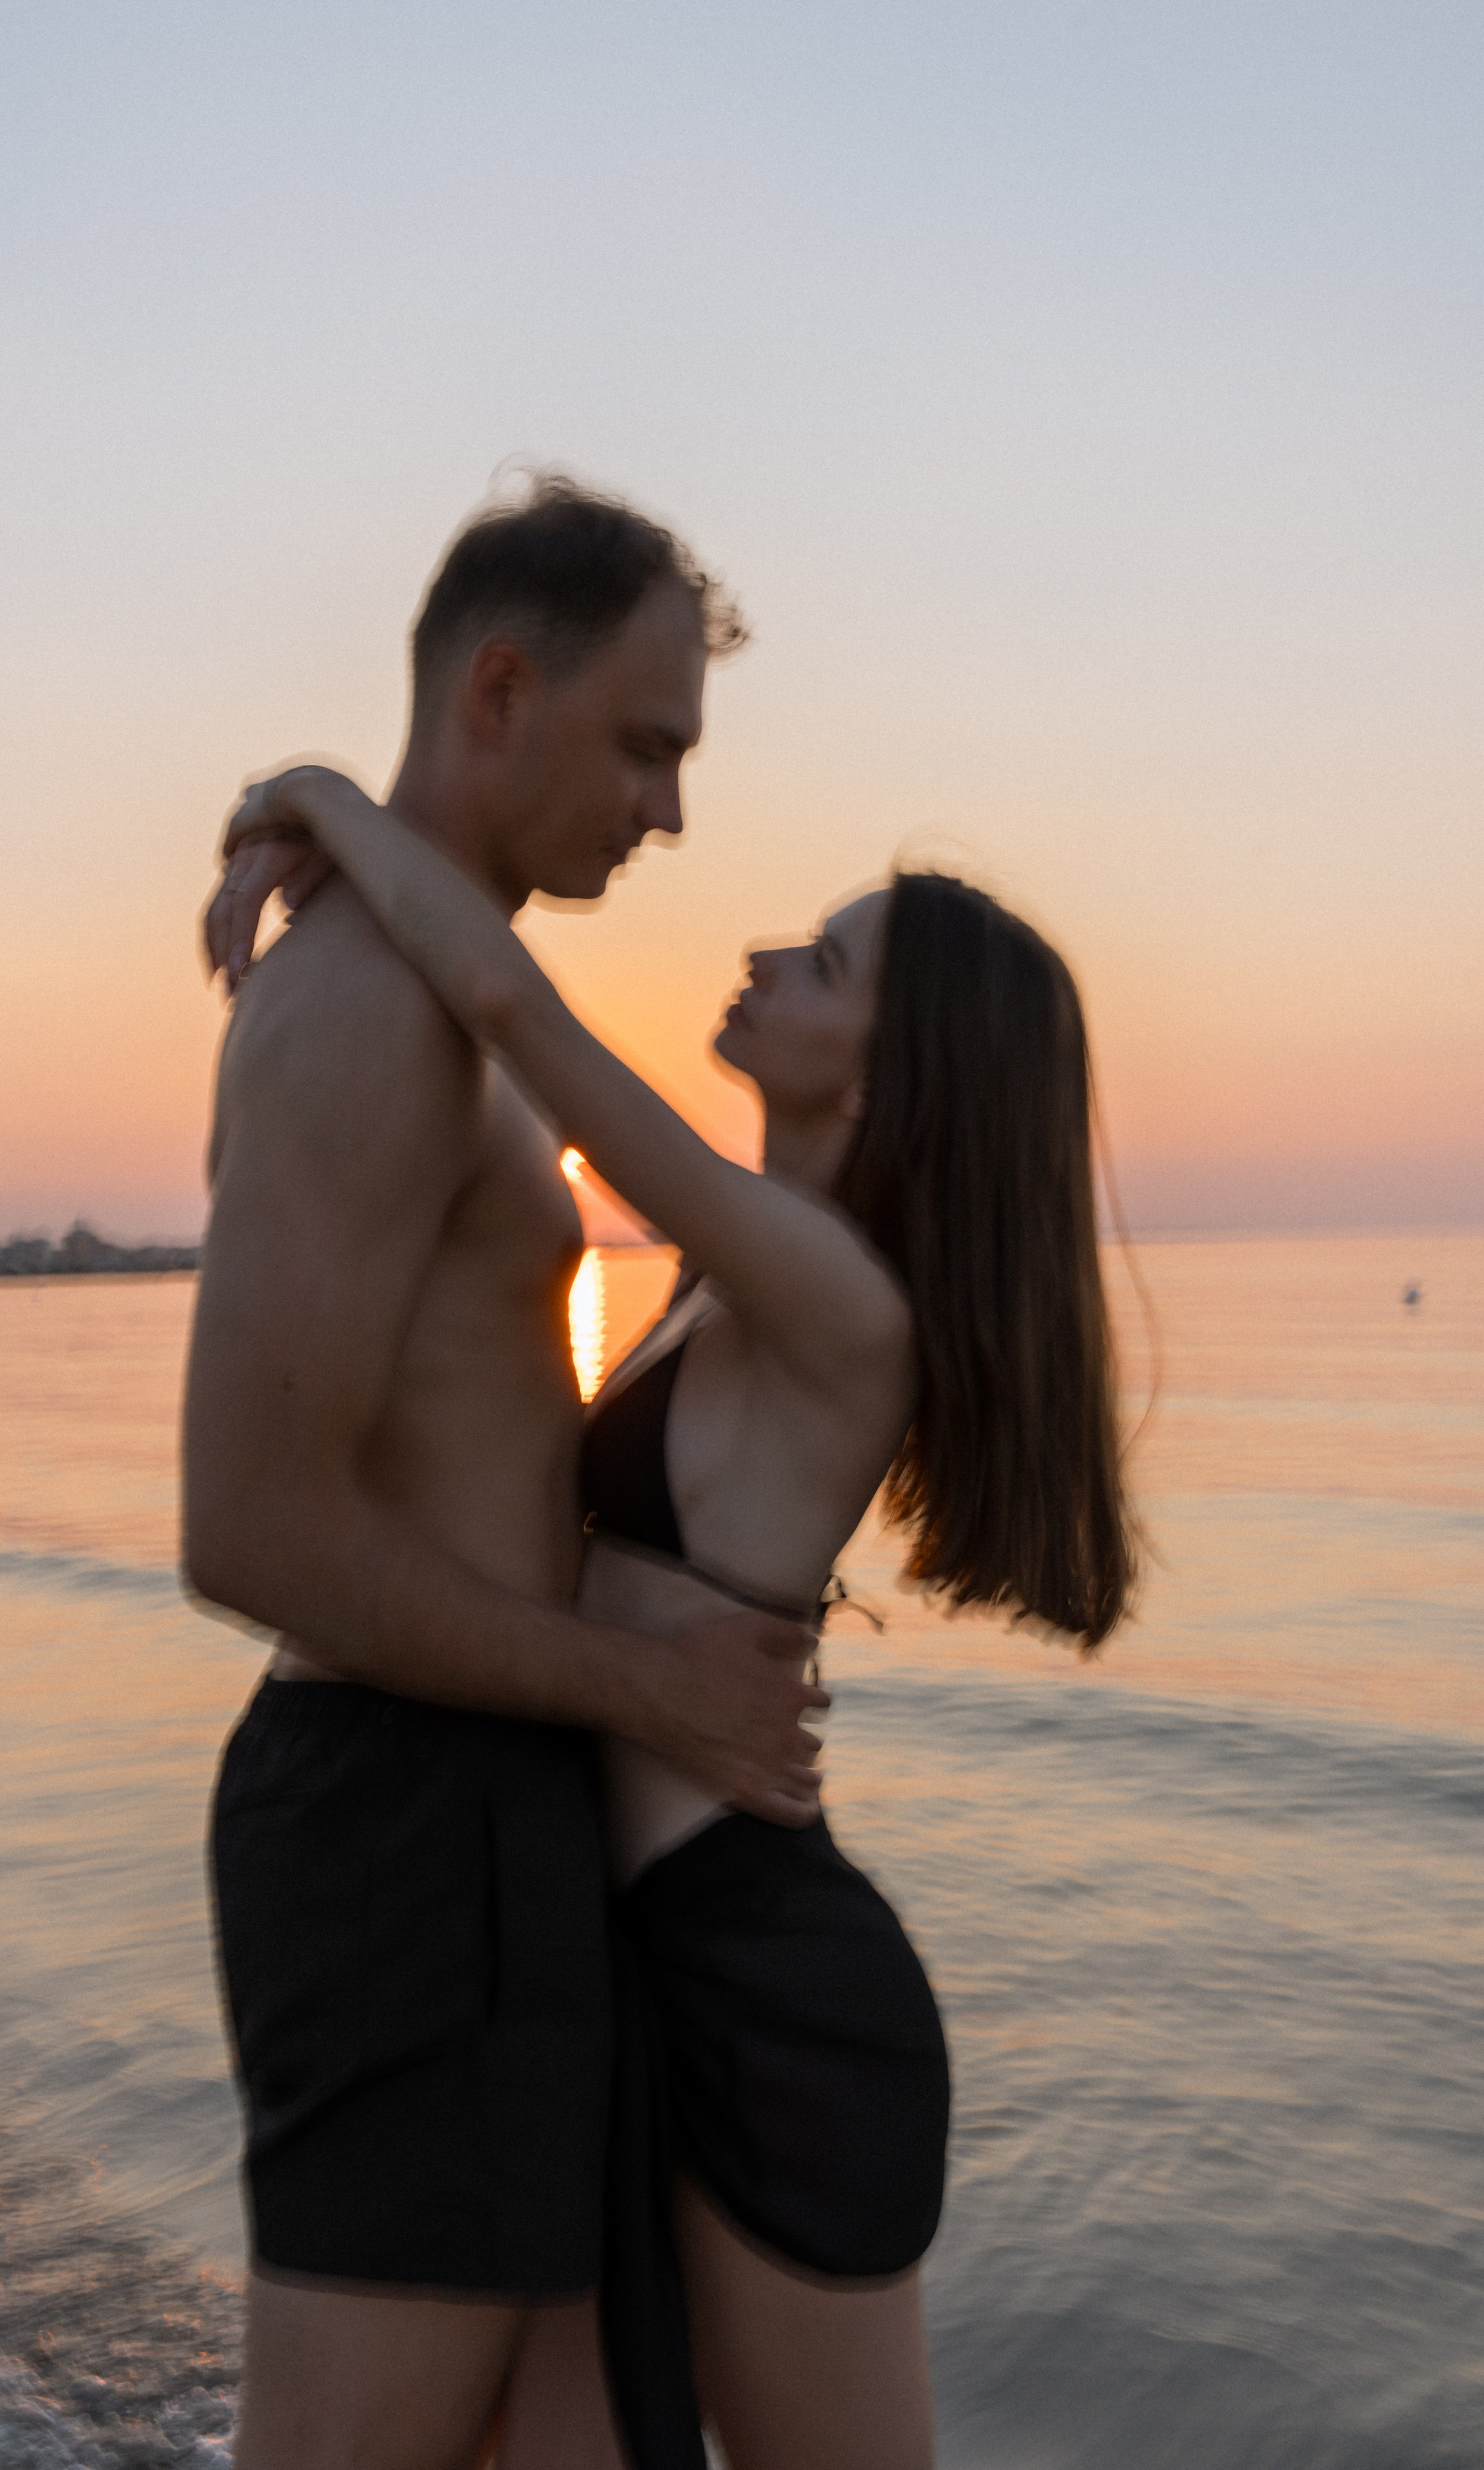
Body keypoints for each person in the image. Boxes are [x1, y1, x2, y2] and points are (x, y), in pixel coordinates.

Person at [206, 760, 1138, 2470]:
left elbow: (512, 1008)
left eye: (831, 969)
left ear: (891, 1076)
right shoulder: (742, 1265)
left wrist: (328, 805)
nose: (773, 959)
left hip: (766, 1990)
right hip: (613, 1958)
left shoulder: (840, 1303)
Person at [184, 479, 829, 2470]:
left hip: (475, 1818)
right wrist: (647, 1687)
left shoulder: (430, 991)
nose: (670, 812)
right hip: (406, 1825)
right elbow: (252, 1529)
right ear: (496, 690)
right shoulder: (371, 1016)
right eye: (646, 747)